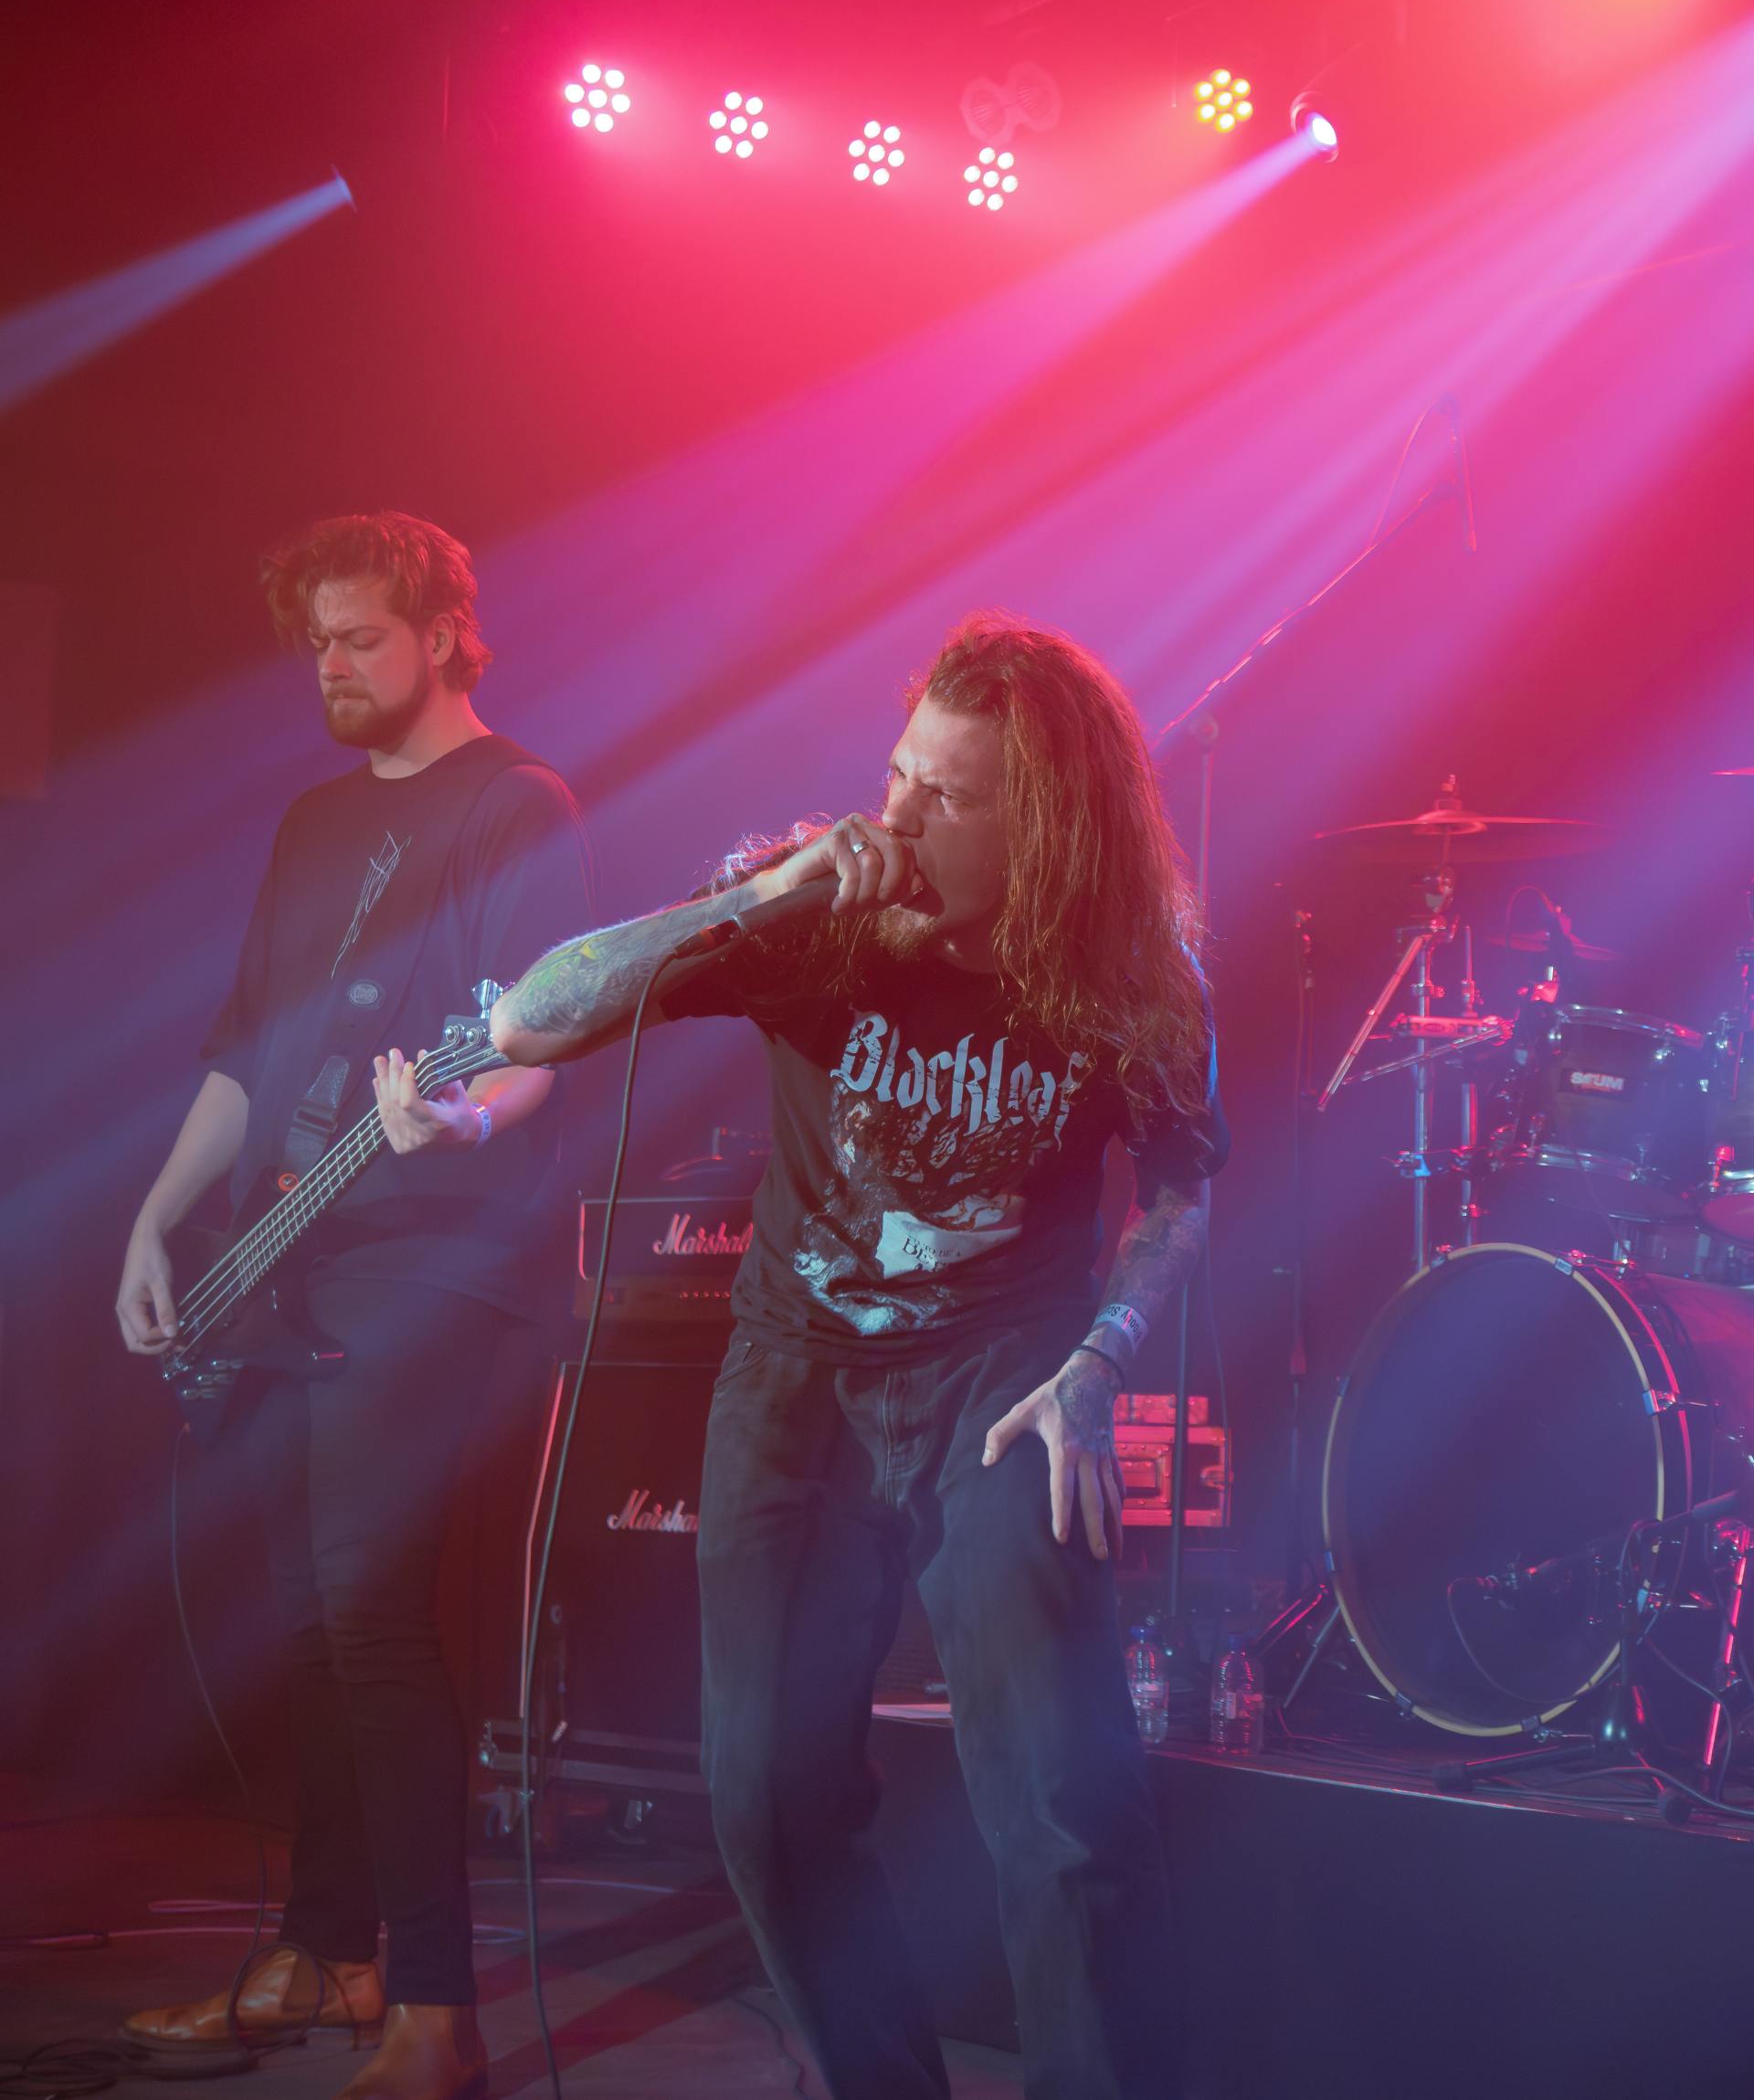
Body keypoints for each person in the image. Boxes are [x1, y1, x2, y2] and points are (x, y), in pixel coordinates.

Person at [490, 611, 1227, 2100]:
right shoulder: (811, 911)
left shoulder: (1132, 977)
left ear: (1046, 827)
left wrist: (1104, 1355)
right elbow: (529, 1017)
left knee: (1064, 1806)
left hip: (1004, 1378)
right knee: (764, 1797)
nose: (898, 814)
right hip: (798, 1374)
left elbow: (1182, 1188)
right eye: (899, 773)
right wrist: (762, 892)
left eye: (947, 796)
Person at [115, 513, 587, 2100]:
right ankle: (327, 1948)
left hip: (438, 1252)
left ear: (444, 632)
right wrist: (158, 1216)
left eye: (360, 636)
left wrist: (462, 1119)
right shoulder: (315, 822)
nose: (330, 664)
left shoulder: (517, 804)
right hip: (291, 1249)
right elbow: (249, 1050)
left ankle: (439, 2012)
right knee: (312, 1619)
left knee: (373, 1612)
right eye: (315, 640)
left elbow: (534, 1041)